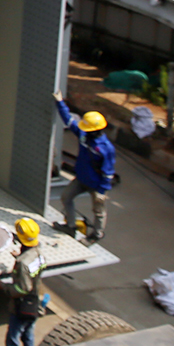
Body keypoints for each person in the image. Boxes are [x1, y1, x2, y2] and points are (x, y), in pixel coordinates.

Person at [52, 91, 116, 242]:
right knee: (66, 197)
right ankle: (71, 226)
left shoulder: (105, 148)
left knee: (99, 210)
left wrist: (102, 191)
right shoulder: (84, 136)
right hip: (81, 179)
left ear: (96, 130)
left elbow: (108, 172)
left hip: (96, 184)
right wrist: (60, 102)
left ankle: (97, 234)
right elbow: (69, 121)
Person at [0, 218, 47, 346]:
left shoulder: (23, 263)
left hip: (21, 307)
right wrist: (19, 257)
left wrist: (3, 286)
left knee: (12, 341)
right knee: (28, 335)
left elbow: (23, 288)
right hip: (35, 302)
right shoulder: (39, 253)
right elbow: (34, 270)